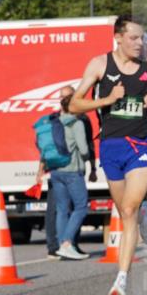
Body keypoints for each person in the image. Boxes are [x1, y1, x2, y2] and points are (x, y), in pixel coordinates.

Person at [68, 15, 147, 295]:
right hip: (111, 148)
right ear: (119, 38)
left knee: (129, 207)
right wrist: (107, 100)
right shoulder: (100, 65)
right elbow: (74, 104)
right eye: (135, 38)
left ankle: (121, 280)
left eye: (142, 38)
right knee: (126, 216)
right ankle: (126, 265)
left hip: (140, 145)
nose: (140, 43)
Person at [36, 85, 91, 261]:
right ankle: (67, 243)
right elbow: (83, 149)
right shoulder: (77, 123)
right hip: (72, 171)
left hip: (56, 171)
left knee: (61, 210)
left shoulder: (54, 121)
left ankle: (61, 246)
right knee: (81, 207)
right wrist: (88, 158)